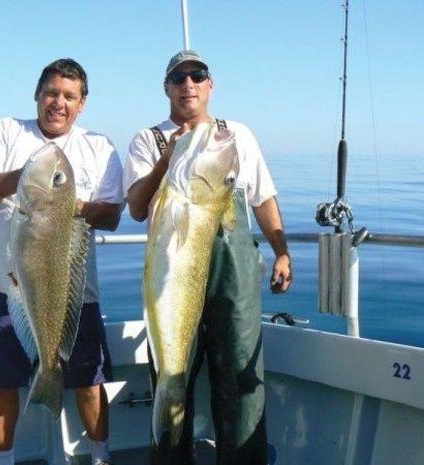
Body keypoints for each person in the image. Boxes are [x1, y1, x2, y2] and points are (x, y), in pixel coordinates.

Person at [123, 50, 292, 465]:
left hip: (232, 278)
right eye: (178, 78)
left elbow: (262, 197)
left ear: (210, 85)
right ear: (166, 88)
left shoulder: (237, 134)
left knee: (239, 380)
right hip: (173, 280)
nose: (188, 85)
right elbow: (137, 208)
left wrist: (281, 251)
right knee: (171, 375)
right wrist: (167, 160)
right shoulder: (150, 140)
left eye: (197, 76)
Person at [0, 58, 123, 465]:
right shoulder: (7, 131)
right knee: (1, 383)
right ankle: (2, 461)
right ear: (37, 95)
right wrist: (27, 178)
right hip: (7, 285)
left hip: (75, 293)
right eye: (52, 93)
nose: (59, 102)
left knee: (89, 382)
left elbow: (111, 215)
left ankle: (101, 457)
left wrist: (65, 200)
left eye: (70, 96)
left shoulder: (99, 147)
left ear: (82, 103)